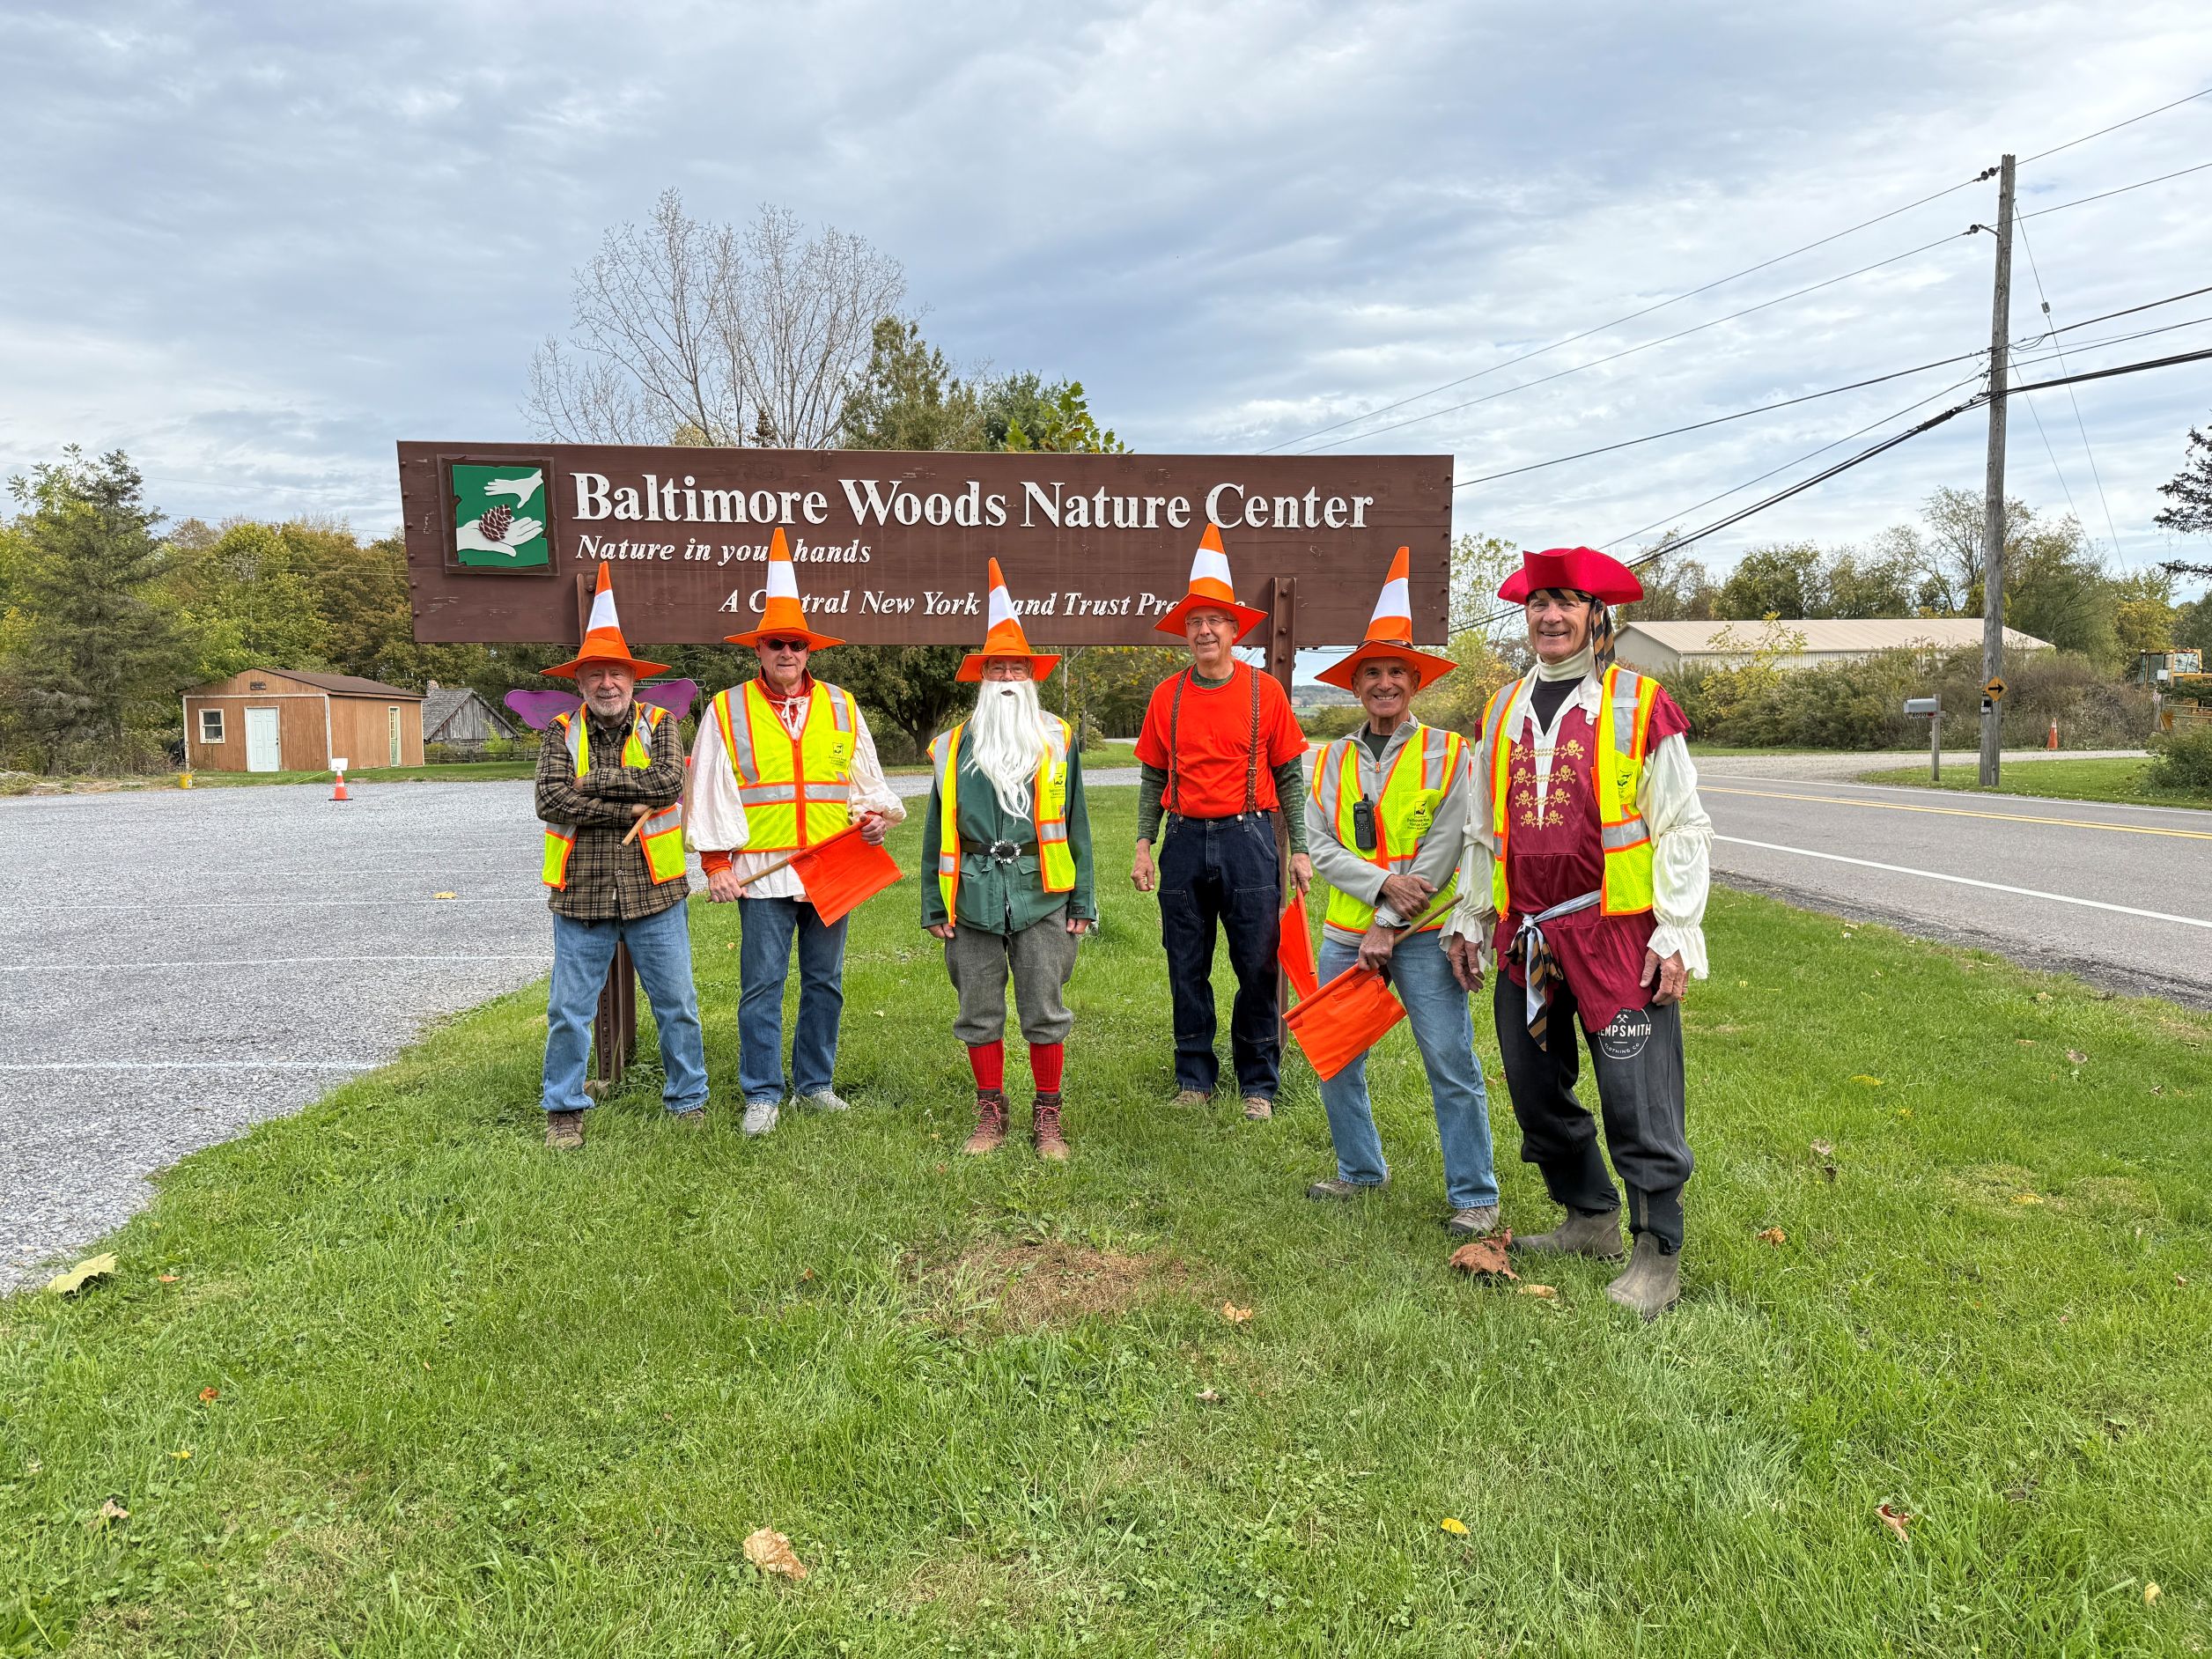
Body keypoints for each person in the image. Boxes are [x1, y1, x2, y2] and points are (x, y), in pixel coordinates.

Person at [1443, 546, 1713, 1317]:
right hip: (1527, 936)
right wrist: (1471, 917)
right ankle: (1589, 1212)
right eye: (1537, 604)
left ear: (1597, 615)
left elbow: (1683, 824)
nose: (1550, 616)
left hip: (1615, 936)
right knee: (1532, 1085)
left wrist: (1675, 931)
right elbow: (1481, 831)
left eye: (1565, 602)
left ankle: (1657, 1246)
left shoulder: (1639, 703)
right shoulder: (1498, 711)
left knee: (1637, 1092)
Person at [1301, 549, 1500, 1235]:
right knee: (1337, 1060)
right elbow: (1321, 845)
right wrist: (1383, 882)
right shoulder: (1324, 759)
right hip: (1343, 935)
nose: (1385, 684)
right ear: (1355, 686)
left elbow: (1446, 848)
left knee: (1450, 1060)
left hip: (1419, 937)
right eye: (1372, 674)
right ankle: (1360, 1171)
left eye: (1396, 673)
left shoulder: (1451, 754)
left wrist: (1389, 918)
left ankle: (1475, 1194)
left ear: (1415, 682)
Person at [688, 527, 904, 1137]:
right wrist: (715, 865)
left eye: (797, 644)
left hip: (830, 866)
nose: (787, 652)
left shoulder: (842, 704)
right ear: (758, 650)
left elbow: (866, 781)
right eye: (776, 643)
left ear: (809, 651)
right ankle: (762, 1093)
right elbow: (710, 789)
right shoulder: (728, 709)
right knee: (760, 986)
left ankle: (815, 1085)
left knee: (825, 982)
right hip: (762, 872)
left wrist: (874, 820)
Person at [1131, 523, 1312, 1120]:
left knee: (1257, 964)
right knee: (1186, 963)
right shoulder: (1167, 696)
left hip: (1249, 838)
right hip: (1183, 840)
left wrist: (1301, 848)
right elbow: (1153, 778)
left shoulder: (1267, 693)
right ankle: (1194, 1076)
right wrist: (1141, 844)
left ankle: (1258, 1082)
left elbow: (1289, 774)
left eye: (1215, 622)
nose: (1205, 631)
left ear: (1236, 631)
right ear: (1186, 634)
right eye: (1194, 623)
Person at [922, 560, 1097, 1160]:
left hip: (1042, 891)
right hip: (969, 896)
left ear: (1029, 675)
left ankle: (1048, 1115)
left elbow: (1077, 822)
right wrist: (931, 901)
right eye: (995, 666)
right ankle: (990, 1111)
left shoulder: (1058, 737)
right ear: (981, 677)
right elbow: (933, 829)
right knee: (978, 1010)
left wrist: (1085, 898)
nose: (1005, 675)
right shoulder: (950, 746)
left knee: (1046, 1010)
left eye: (1015, 666)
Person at [535, 561, 708, 1148]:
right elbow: (550, 800)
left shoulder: (662, 722)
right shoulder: (559, 731)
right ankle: (564, 1108)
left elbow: (666, 787)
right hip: (580, 896)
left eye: (616, 673)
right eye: (595, 675)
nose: (607, 683)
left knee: (678, 1004)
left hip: (654, 891)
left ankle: (688, 1099)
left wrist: (591, 786)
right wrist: (621, 802)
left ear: (633, 679)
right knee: (568, 1011)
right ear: (579, 683)